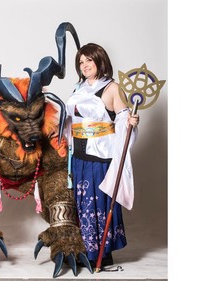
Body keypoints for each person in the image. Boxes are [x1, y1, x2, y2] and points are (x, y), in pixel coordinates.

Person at [65, 43, 139, 268]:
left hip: (100, 154)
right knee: (80, 202)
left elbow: (123, 118)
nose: (84, 65)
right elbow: (70, 119)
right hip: (78, 152)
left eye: (88, 60)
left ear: (99, 60)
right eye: (81, 62)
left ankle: (100, 252)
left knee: (97, 202)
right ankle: (82, 247)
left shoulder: (113, 88)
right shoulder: (78, 88)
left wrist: (131, 122)